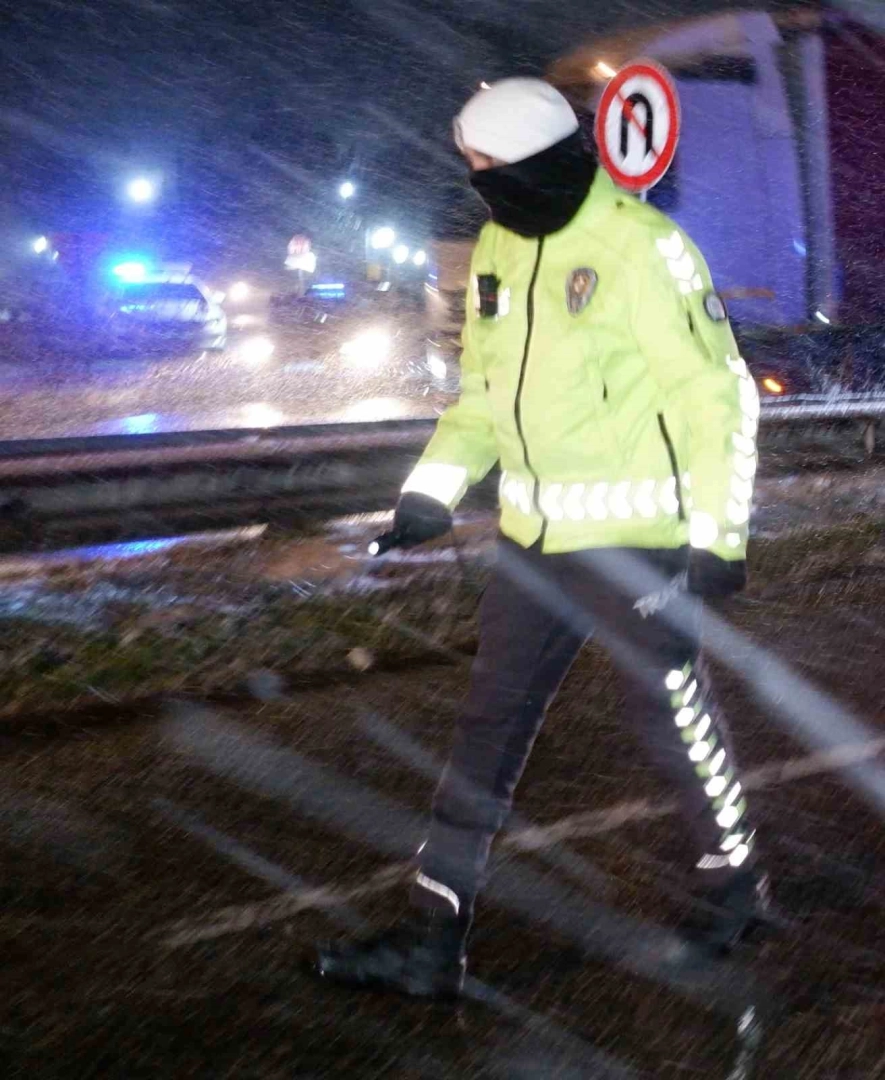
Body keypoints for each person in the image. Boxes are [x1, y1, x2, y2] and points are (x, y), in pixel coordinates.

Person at [308, 77, 768, 998]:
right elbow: (482, 396)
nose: (472, 180)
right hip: (531, 542)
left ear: (517, 159)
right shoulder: (497, 248)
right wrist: (428, 493)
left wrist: (718, 537)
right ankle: (433, 939)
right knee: (487, 728)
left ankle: (734, 887)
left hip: (640, 542)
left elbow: (716, 397)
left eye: (480, 164)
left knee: (670, 716)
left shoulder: (641, 248)